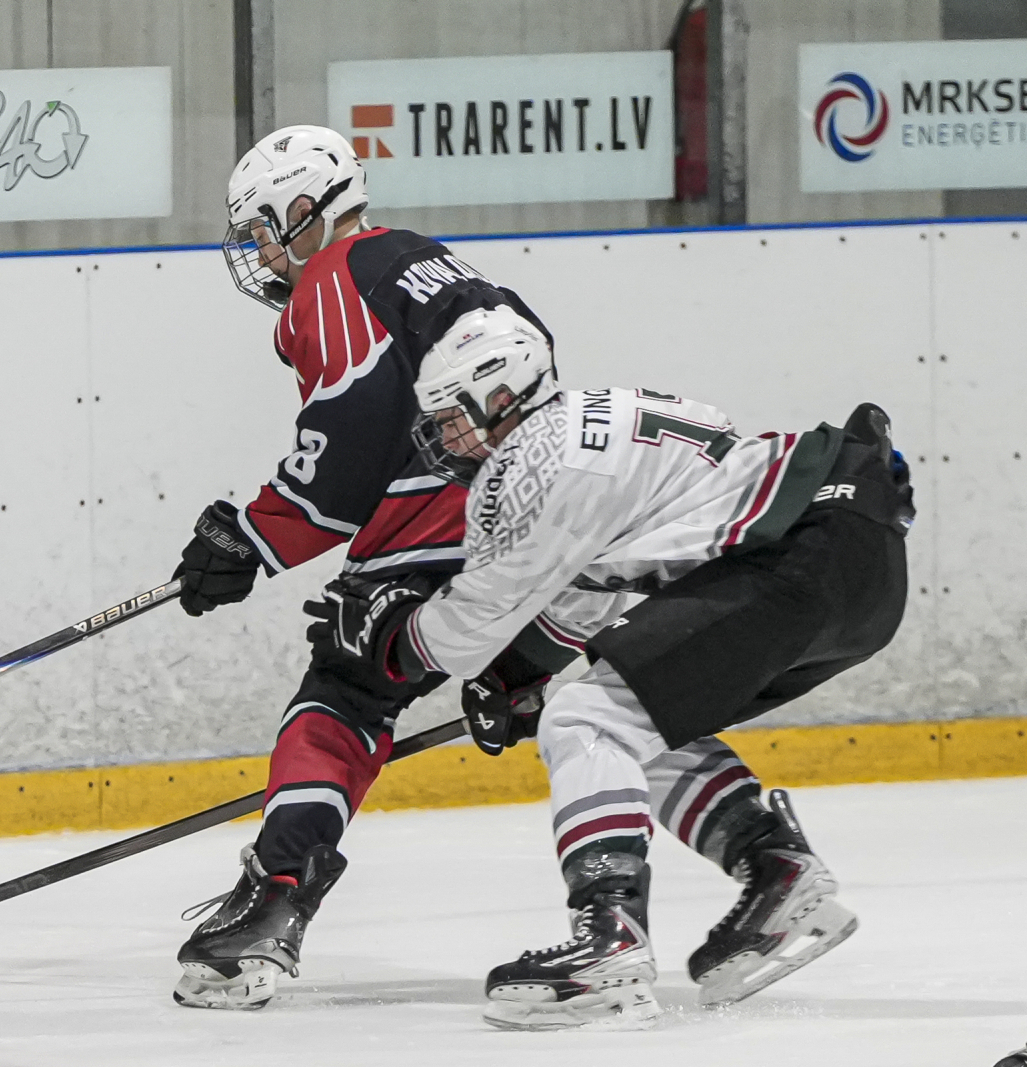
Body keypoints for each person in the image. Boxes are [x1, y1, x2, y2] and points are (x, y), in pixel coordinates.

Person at [170, 124, 788, 1014]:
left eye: (265, 229)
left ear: (305, 211)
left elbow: (350, 430)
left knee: (348, 688)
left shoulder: (336, 274)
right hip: (525, 511)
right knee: (606, 700)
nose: (263, 253)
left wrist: (256, 536)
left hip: (434, 514)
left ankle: (273, 900)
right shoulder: (429, 261)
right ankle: (765, 850)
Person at [305, 306, 913, 1030]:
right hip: (853, 564)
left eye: (452, 416)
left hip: (799, 556)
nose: (443, 437)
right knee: (635, 713)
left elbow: (467, 627)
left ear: (502, 396)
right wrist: (515, 678)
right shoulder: (593, 423)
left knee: (585, 720)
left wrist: (384, 635)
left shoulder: (526, 462)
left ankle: (609, 941)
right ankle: (776, 868)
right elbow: (593, 585)